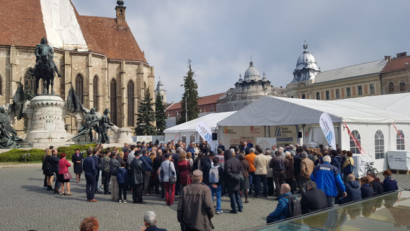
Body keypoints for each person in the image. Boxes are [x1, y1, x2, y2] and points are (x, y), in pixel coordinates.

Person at [224, 149, 244, 214]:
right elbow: (241, 169)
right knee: (237, 194)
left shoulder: (227, 162)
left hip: (230, 181)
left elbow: (227, 172)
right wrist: (238, 176)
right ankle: (240, 207)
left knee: (232, 196)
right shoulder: (237, 160)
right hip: (237, 180)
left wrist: (233, 177)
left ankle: (234, 209)